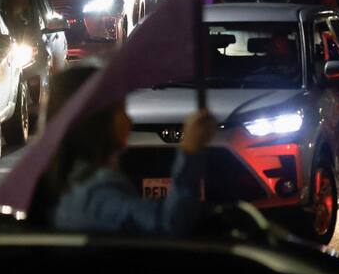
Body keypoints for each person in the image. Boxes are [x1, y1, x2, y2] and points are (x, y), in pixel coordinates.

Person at [39, 67, 217, 235]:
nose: (129, 120)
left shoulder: (68, 182)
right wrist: (190, 151)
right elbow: (168, 224)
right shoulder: (96, 194)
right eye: (121, 110)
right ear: (98, 119)